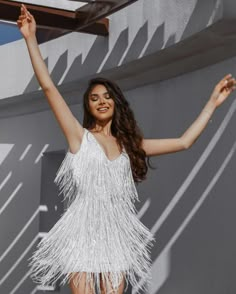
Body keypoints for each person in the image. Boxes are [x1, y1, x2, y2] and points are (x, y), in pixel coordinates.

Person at [17, 3, 236, 294]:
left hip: (115, 237)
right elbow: (49, 88)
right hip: (81, 235)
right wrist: (30, 38)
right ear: (88, 106)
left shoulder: (129, 146)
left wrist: (212, 103)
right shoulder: (78, 138)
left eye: (107, 96)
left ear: (116, 103)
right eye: (94, 98)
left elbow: (184, 141)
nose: (102, 101)